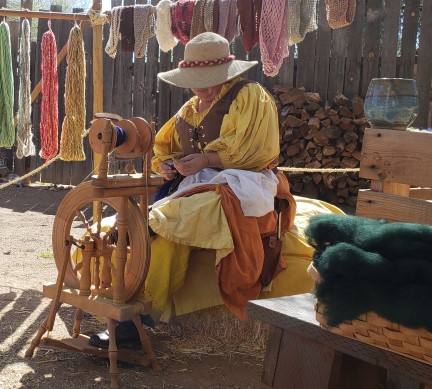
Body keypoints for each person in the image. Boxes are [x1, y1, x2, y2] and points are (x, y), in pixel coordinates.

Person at [90, 32, 343, 348]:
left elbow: (254, 151)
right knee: (158, 225)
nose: (199, 87)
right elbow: (164, 147)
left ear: (226, 74)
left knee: (169, 220)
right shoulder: (190, 109)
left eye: (207, 80)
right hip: (202, 184)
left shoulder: (250, 96)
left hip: (247, 183)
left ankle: (136, 321)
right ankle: (131, 321)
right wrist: (168, 164)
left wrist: (207, 159)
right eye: (194, 80)